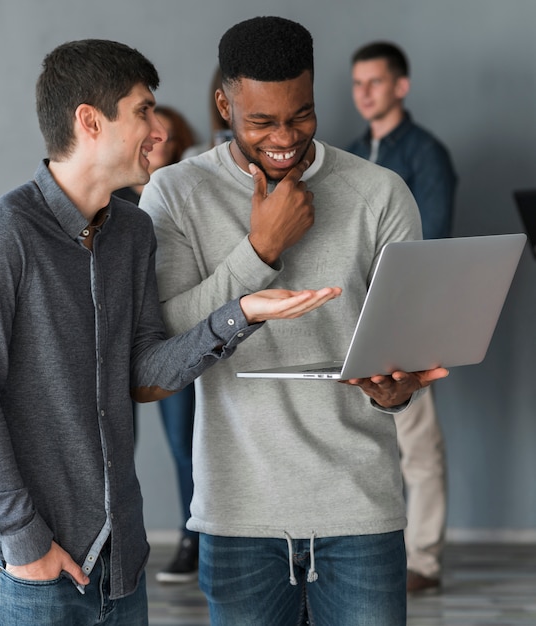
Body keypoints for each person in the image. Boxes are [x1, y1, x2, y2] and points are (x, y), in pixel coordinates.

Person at [0, 38, 342, 626]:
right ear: (89, 121)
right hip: (26, 574)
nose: (159, 128)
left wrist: (242, 313)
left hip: (120, 572)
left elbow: (146, 368)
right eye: (143, 110)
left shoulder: (132, 232)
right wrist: (25, 544)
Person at [140, 16, 448, 626]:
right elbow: (165, 345)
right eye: (261, 121)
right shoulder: (174, 195)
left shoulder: (381, 194)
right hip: (239, 516)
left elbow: (407, 348)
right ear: (224, 103)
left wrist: (399, 390)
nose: (285, 137)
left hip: (360, 512)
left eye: (301, 115)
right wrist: (258, 255)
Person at [346, 40, 458, 594]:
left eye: (374, 81)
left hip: (406, 318)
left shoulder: (426, 154)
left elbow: (429, 242)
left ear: (400, 86)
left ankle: (425, 561)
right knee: (357, 438)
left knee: (416, 443)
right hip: (349, 318)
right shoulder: (345, 153)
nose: (363, 92)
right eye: (357, 83)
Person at [116, 105, 202, 583]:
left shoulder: (188, 194)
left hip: (173, 338)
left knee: (183, 444)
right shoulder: (116, 201)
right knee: (116, 444)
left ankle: (192, 538)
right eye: (146, 130)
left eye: (162, 135)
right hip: (120, 340)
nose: (154, 138)